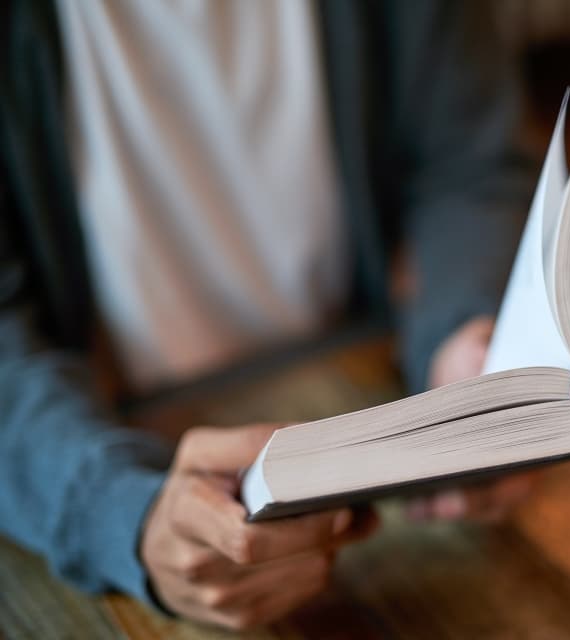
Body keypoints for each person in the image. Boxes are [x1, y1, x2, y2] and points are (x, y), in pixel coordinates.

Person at [0, 1, 539, 630]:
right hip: (89, 444)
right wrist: (122, 515)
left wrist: (462, 332)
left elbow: (469, 161)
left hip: (364, 382)